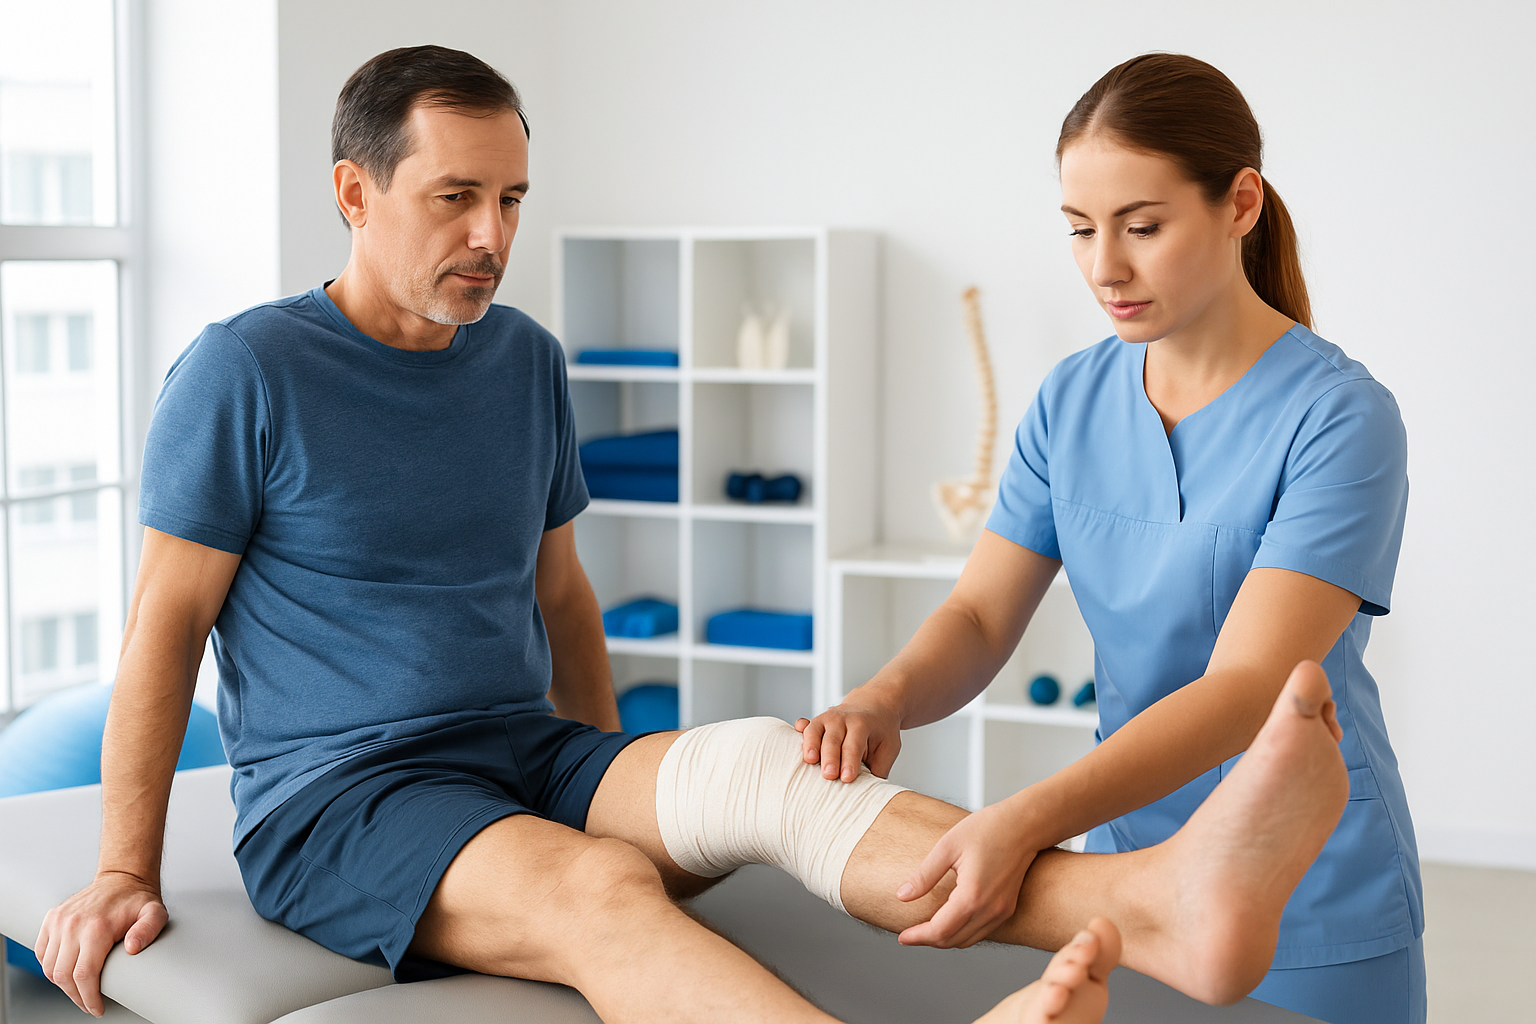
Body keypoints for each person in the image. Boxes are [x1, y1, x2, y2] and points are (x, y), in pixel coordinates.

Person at [35, 45, 1352, 1024]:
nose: (492, 236)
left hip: (523, 755)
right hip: (345, 799)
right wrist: (118, 867)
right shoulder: (246, 370)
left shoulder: (523, 363)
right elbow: (164, 628)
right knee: (603, 895)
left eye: (511, 199)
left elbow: (562, 601)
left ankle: (1164, 908)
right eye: (454, 199)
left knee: (772, 770)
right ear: (354, 192)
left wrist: (625, 784)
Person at [799, 53, 1423, 1024]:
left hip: (1310, 888)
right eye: (1081, 229)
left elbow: (1246, 688)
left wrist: (1028, 818)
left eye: (1142, 226)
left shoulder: (1340, 418)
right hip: (1127, 874)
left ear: (1240, 203)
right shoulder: (1072, 401)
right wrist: (884, 698)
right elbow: (976, 613)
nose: (1105, 267)